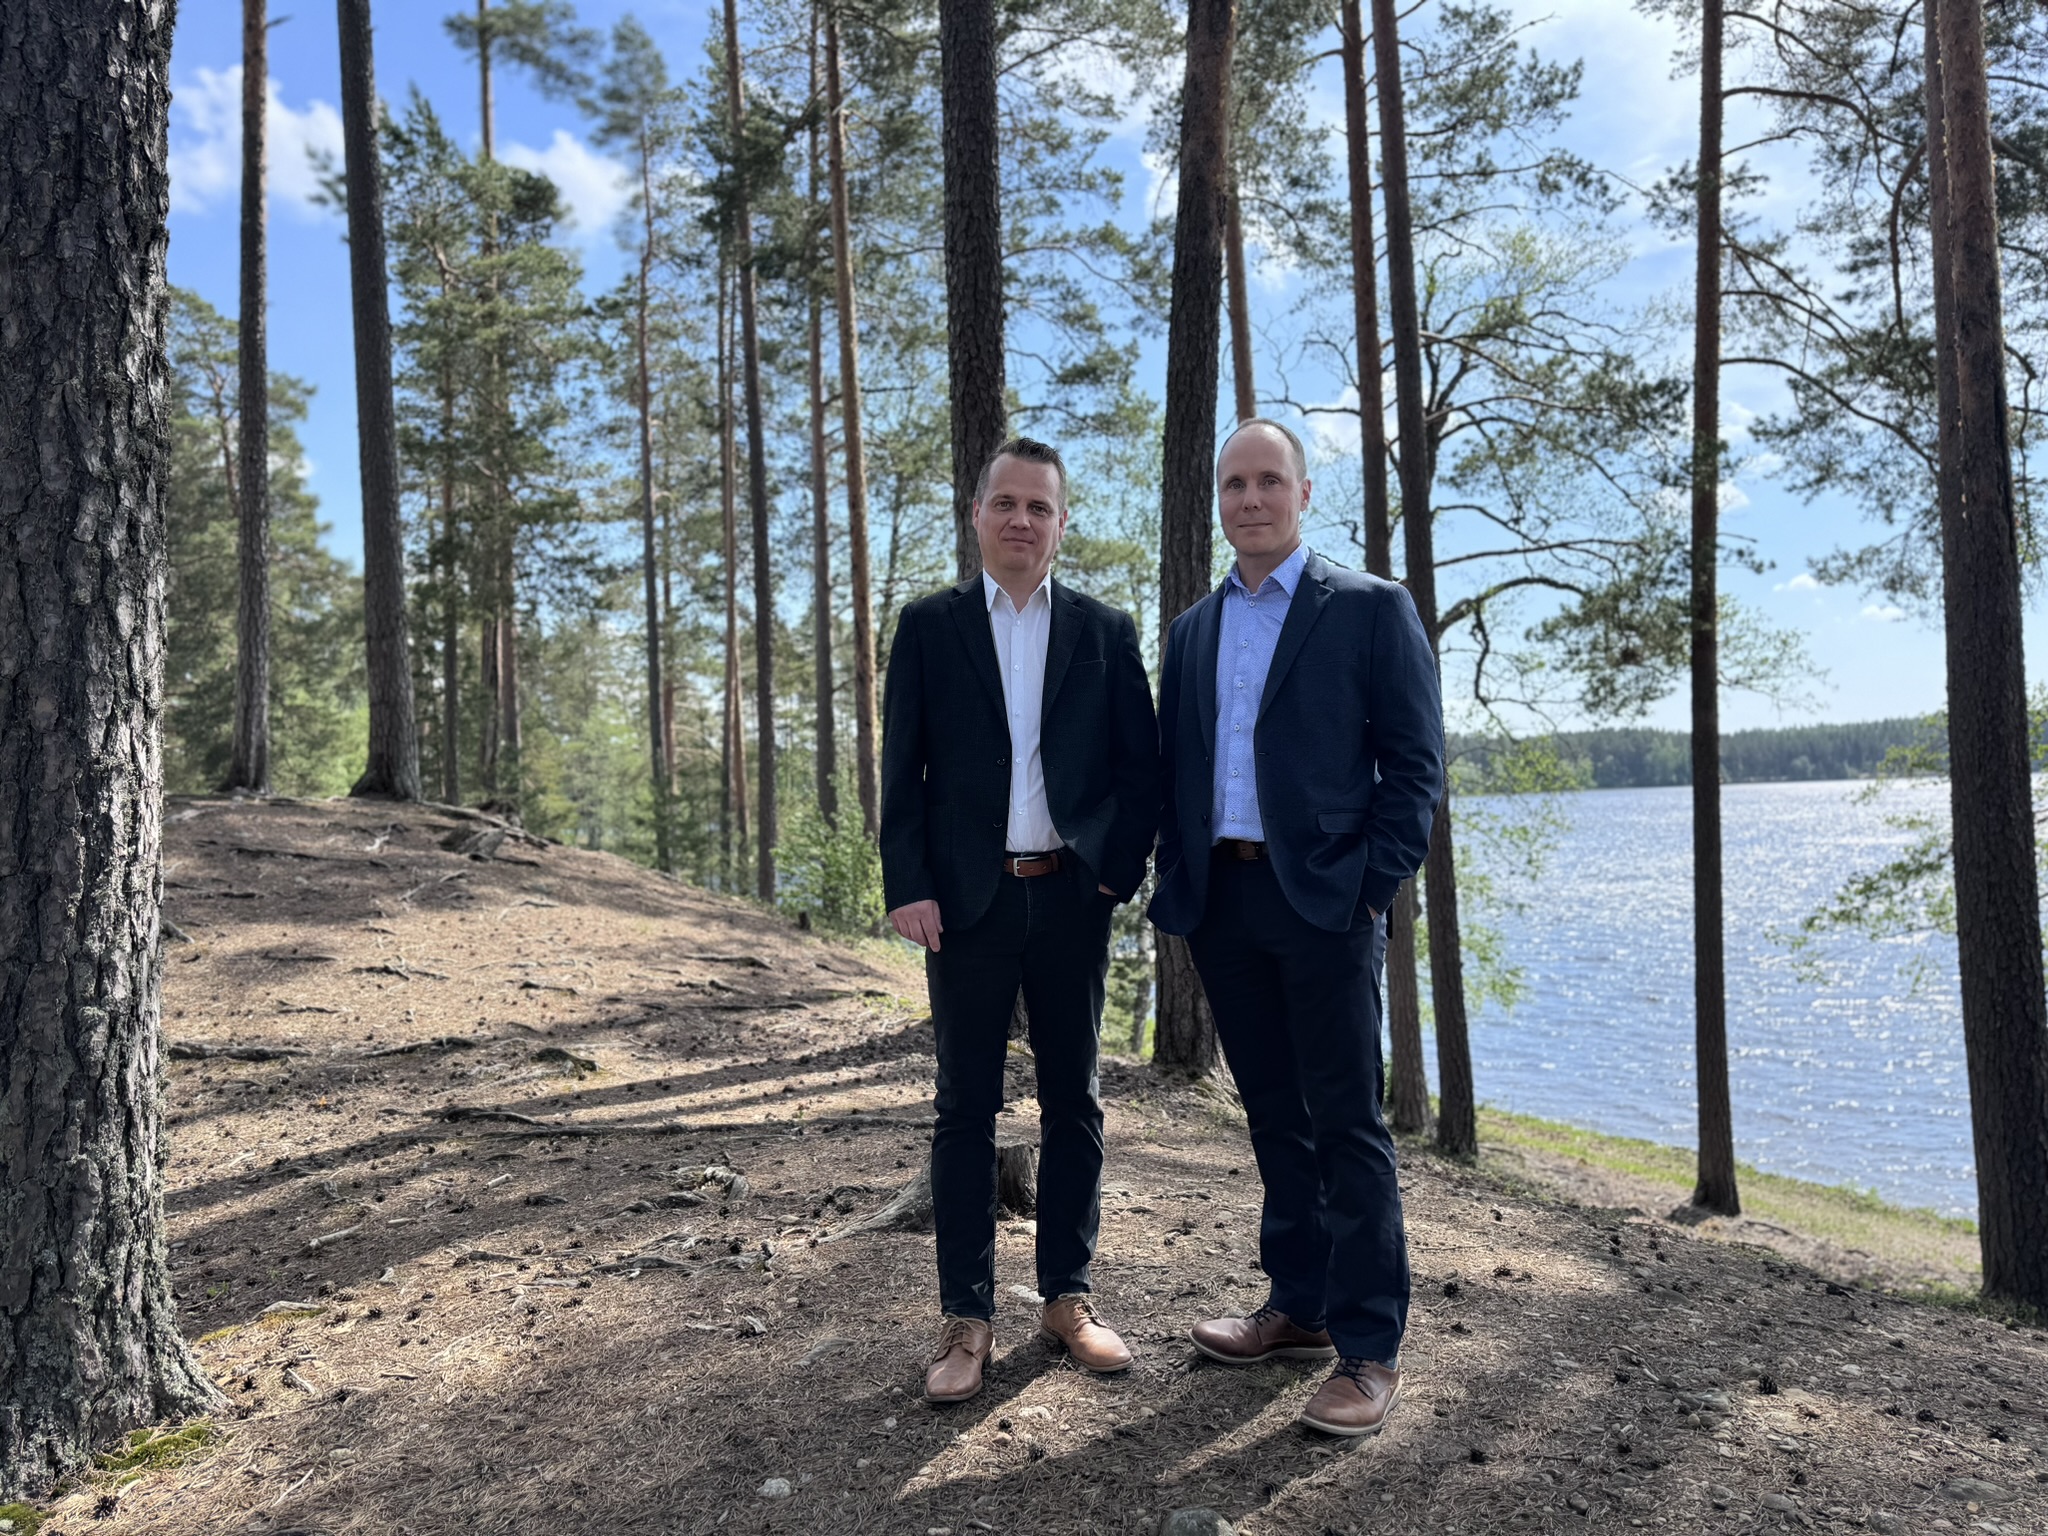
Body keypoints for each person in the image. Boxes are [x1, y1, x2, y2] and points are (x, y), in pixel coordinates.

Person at [1149, 417, 1444, 1436]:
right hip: (1223, 905)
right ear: (1218, 499)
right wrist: (1175, 870)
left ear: (1304, 493)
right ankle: (1300, 1307)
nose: (1250, 499)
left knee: (1347, 1125)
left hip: (1325, 904)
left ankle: (1368, 1348)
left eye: (1268, 481)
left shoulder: (1368, 609)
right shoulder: (1192, 630)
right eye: (1233, 483)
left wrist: (1370, 889)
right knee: (1273, 1115)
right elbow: (1176, 767)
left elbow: (1414, 767)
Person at [881, 436, 1161, 1404]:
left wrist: (1113, 874)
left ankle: (1066, 1299)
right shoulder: (929, 626)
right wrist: (907, 884)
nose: (1021, 520)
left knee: (1075, 1101)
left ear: (1061, 523)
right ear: (976, 513)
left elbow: (1139, 769)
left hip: (1070, 897)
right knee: (964, 1108)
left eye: (1039, 506)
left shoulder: (1103, 630)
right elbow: (901, 770)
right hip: (966, 903)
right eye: (1005, 502)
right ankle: (966, 1319)